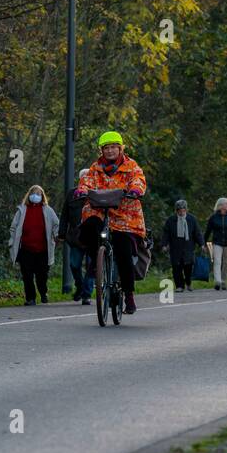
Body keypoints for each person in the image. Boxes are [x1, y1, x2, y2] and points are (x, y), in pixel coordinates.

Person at [75, 131, 148, 315]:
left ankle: (129, 295)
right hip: (100, 211)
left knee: (123, 250)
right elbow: (87, 181)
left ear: (120, 148)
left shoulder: (131, 166)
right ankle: (96, 260)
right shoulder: (95, 168)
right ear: (102, 151)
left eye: (113, 147)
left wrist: (135, 189)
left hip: (124, 215)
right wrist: (82, 190)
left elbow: (139, 180)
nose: (110, 151)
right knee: (89, 226)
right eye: (106, 148)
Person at [9, 184, 59, 305]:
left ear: (42, 196)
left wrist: (56, 235)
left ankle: (43, 292)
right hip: (26, 249)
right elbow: (14, 226)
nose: (35, 196)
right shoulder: (22, 209)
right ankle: (30, 298)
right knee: (27, 275)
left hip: (43, 250)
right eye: (33, 193)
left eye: (38, 193)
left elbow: (56, 224)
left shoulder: (48, 210)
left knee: (42, 275)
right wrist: (12, 240)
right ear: (29, 195)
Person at [58, 169, 92, 303]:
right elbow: (64, 215)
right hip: (76, 237)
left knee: (92, 266)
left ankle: (86, 295)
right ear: (79, 179)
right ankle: (80, 286)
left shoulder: (96, 193)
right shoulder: (72, 194)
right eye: (83, 177)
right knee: (74, 265)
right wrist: (61, 233)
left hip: (92, 237)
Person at [163, 199, 204, 292]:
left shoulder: (191, 219)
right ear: (176, 211)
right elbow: (166, 233)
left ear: (186, 210)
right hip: (175, 247)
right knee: (176, 267)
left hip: (188, 246)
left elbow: (197, 233)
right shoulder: (171, 220)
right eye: (179, 211)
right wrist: (164, 244)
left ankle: (188, 282)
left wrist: (201, 244)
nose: (181, 213)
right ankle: (179, 286)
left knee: (188, 267)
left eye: (183, 210)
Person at [206, 197, 227, 290]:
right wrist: (203, 243)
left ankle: (224, 282)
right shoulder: (213, 217)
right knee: (217, 261)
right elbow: (208, 231)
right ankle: (217, 281)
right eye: (226, 203)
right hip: (217, 242)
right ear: (221, 206)